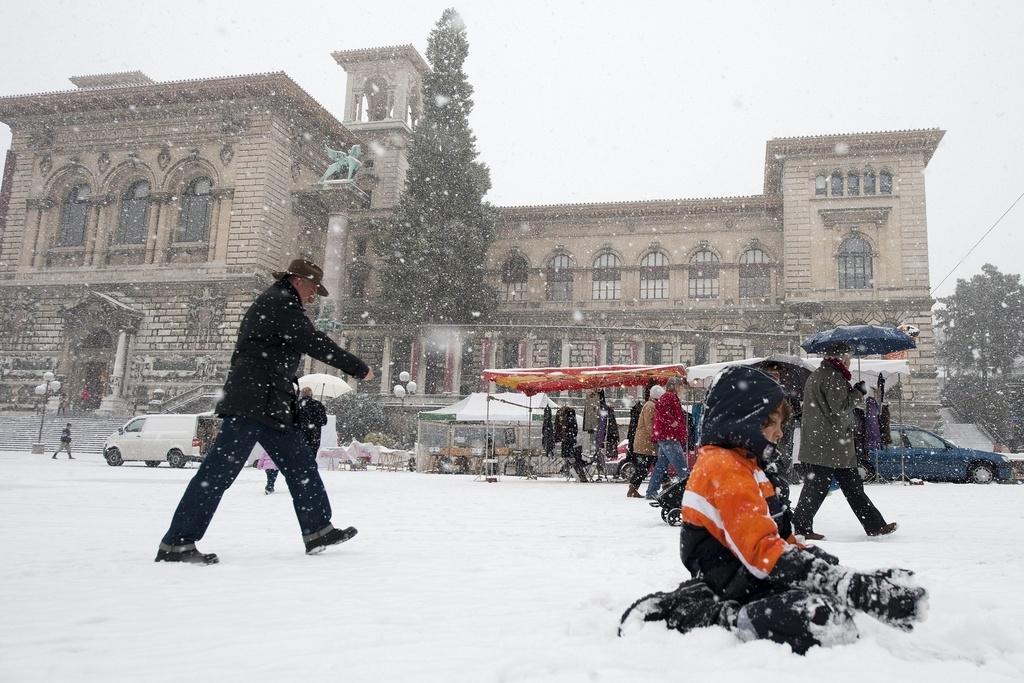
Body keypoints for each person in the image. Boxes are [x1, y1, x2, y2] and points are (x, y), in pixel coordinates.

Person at [619, 365, 927, 654]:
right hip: (729, 580)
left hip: (753, 576)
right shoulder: (723, 467)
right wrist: (844, 584)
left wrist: (833, 571)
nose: (780, 433)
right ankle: (717, 616)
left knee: (830, 609)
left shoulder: (752, 467)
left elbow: (780, 538)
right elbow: (761, 550)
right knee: (821, 618)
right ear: (743, 419)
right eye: (772, 422)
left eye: (782, 423)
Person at [155, 259, 373, 565]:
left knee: (301, 468)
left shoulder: (278, 302)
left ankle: (318, 530)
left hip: (270, 402)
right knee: (217, 473)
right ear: (298, 281)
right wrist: (358, 368)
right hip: (252, 401)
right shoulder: (280, 303)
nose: (314, 296)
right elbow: (313, 341)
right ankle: (177, 542)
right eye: (313, 288)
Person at [793, 343, 897, 540]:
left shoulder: (819, 374)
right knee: (819, 489)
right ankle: (801, 528)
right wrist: (858, 392)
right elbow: (840, 408)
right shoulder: (832, 377)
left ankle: (875, 525)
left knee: (851, 487)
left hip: (826, 444)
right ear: (840, 359)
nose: (849, 362)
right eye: (848, 358)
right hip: (829, 444)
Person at [645, 376, 688, 499]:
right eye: (680, 386)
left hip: (666, 436)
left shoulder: (669, 397)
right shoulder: (669, 397)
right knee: (681, 467)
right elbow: (661, 409)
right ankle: (690, 492)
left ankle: (651, 491)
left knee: (661, 466)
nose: (682, 388)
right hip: (669, 436)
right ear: (675, 386)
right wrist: (672, 422)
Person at [625, 384, 663, 498]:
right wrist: (655, 436)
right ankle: (632, 489)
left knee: (646, 467)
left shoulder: (650, 405)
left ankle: (633, 488)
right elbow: (649, 424)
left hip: (646, 443)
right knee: (643, 468)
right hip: (645, 443)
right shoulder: (650, 406)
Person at [297, 387, 329, 455]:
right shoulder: (318, 404)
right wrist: (315, 423)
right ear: (311, 394)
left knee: (299, 458)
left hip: (299, 436)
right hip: (314, 437)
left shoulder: (297, 404)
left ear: (302, 394)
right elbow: (324, 421)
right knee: (311, 458)